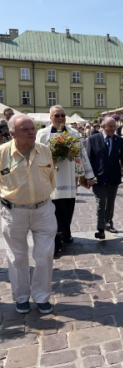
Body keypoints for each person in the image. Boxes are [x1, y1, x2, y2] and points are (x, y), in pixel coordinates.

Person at [0, 115, 57, 314]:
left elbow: (51, 178)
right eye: (25, 129)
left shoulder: (44, 150)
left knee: (44, 255)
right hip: (13, 212)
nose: (31, 132)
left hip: (43, 210)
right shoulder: (2, 153)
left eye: (32, 128)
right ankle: (21, 297)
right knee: (17, 257)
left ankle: (42, 296)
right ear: (12, 133)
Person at [36, 105, 95, 257]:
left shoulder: (74, 133)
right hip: (51, 178)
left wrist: (88, 175)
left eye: (63, 115)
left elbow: (82, 155)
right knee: (54, 210)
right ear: (51, 118)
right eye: (57, 116)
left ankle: (66, 233)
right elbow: (36, 154)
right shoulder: (42, 134)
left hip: (69, 178)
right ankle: (57, 240)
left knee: (68, 208)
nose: (61, 118)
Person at [87, 117, 123, 239]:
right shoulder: (93, 139)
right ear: (103, 127)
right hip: (98, 177)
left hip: (113, 176)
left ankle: (108, 223)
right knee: (101, 202)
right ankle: (100, 229)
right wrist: (88, 176)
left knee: (110, 202)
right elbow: (89, 159)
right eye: (110, 126)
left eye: (114, 126)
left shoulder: (119, 140)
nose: (113, 129)